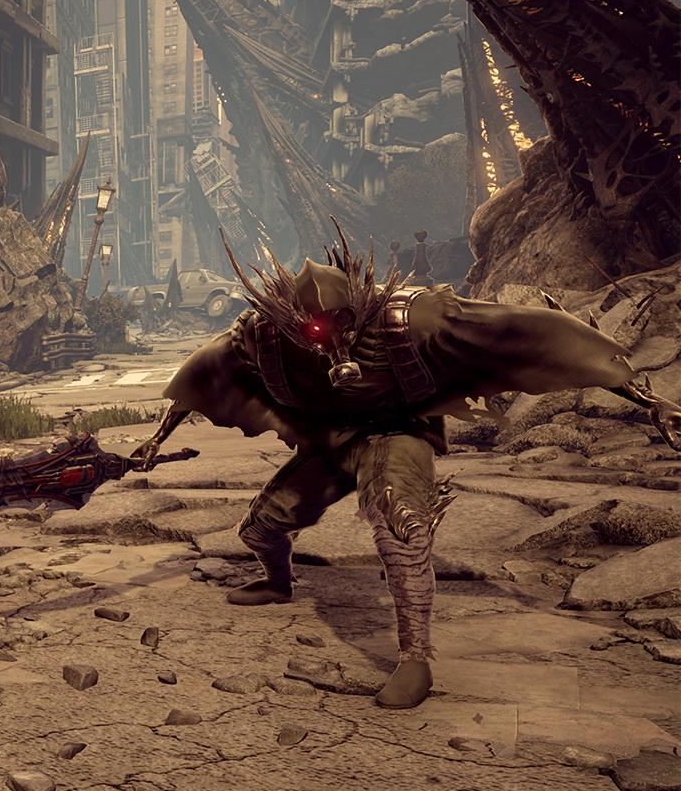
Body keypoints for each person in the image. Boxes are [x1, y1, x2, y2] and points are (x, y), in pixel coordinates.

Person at [130, 224, 681, 709]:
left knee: (400, 527)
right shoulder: (261, 336)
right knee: (259, 529)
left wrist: (647, 399)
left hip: (396, 433)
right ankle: (279, 582)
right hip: (331, 441)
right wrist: (155, 439)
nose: (334, 340)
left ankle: (415, 656)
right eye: (317, 331)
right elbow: (199, 379)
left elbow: (531, 333)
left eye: (341, 325)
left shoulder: (414, 318)